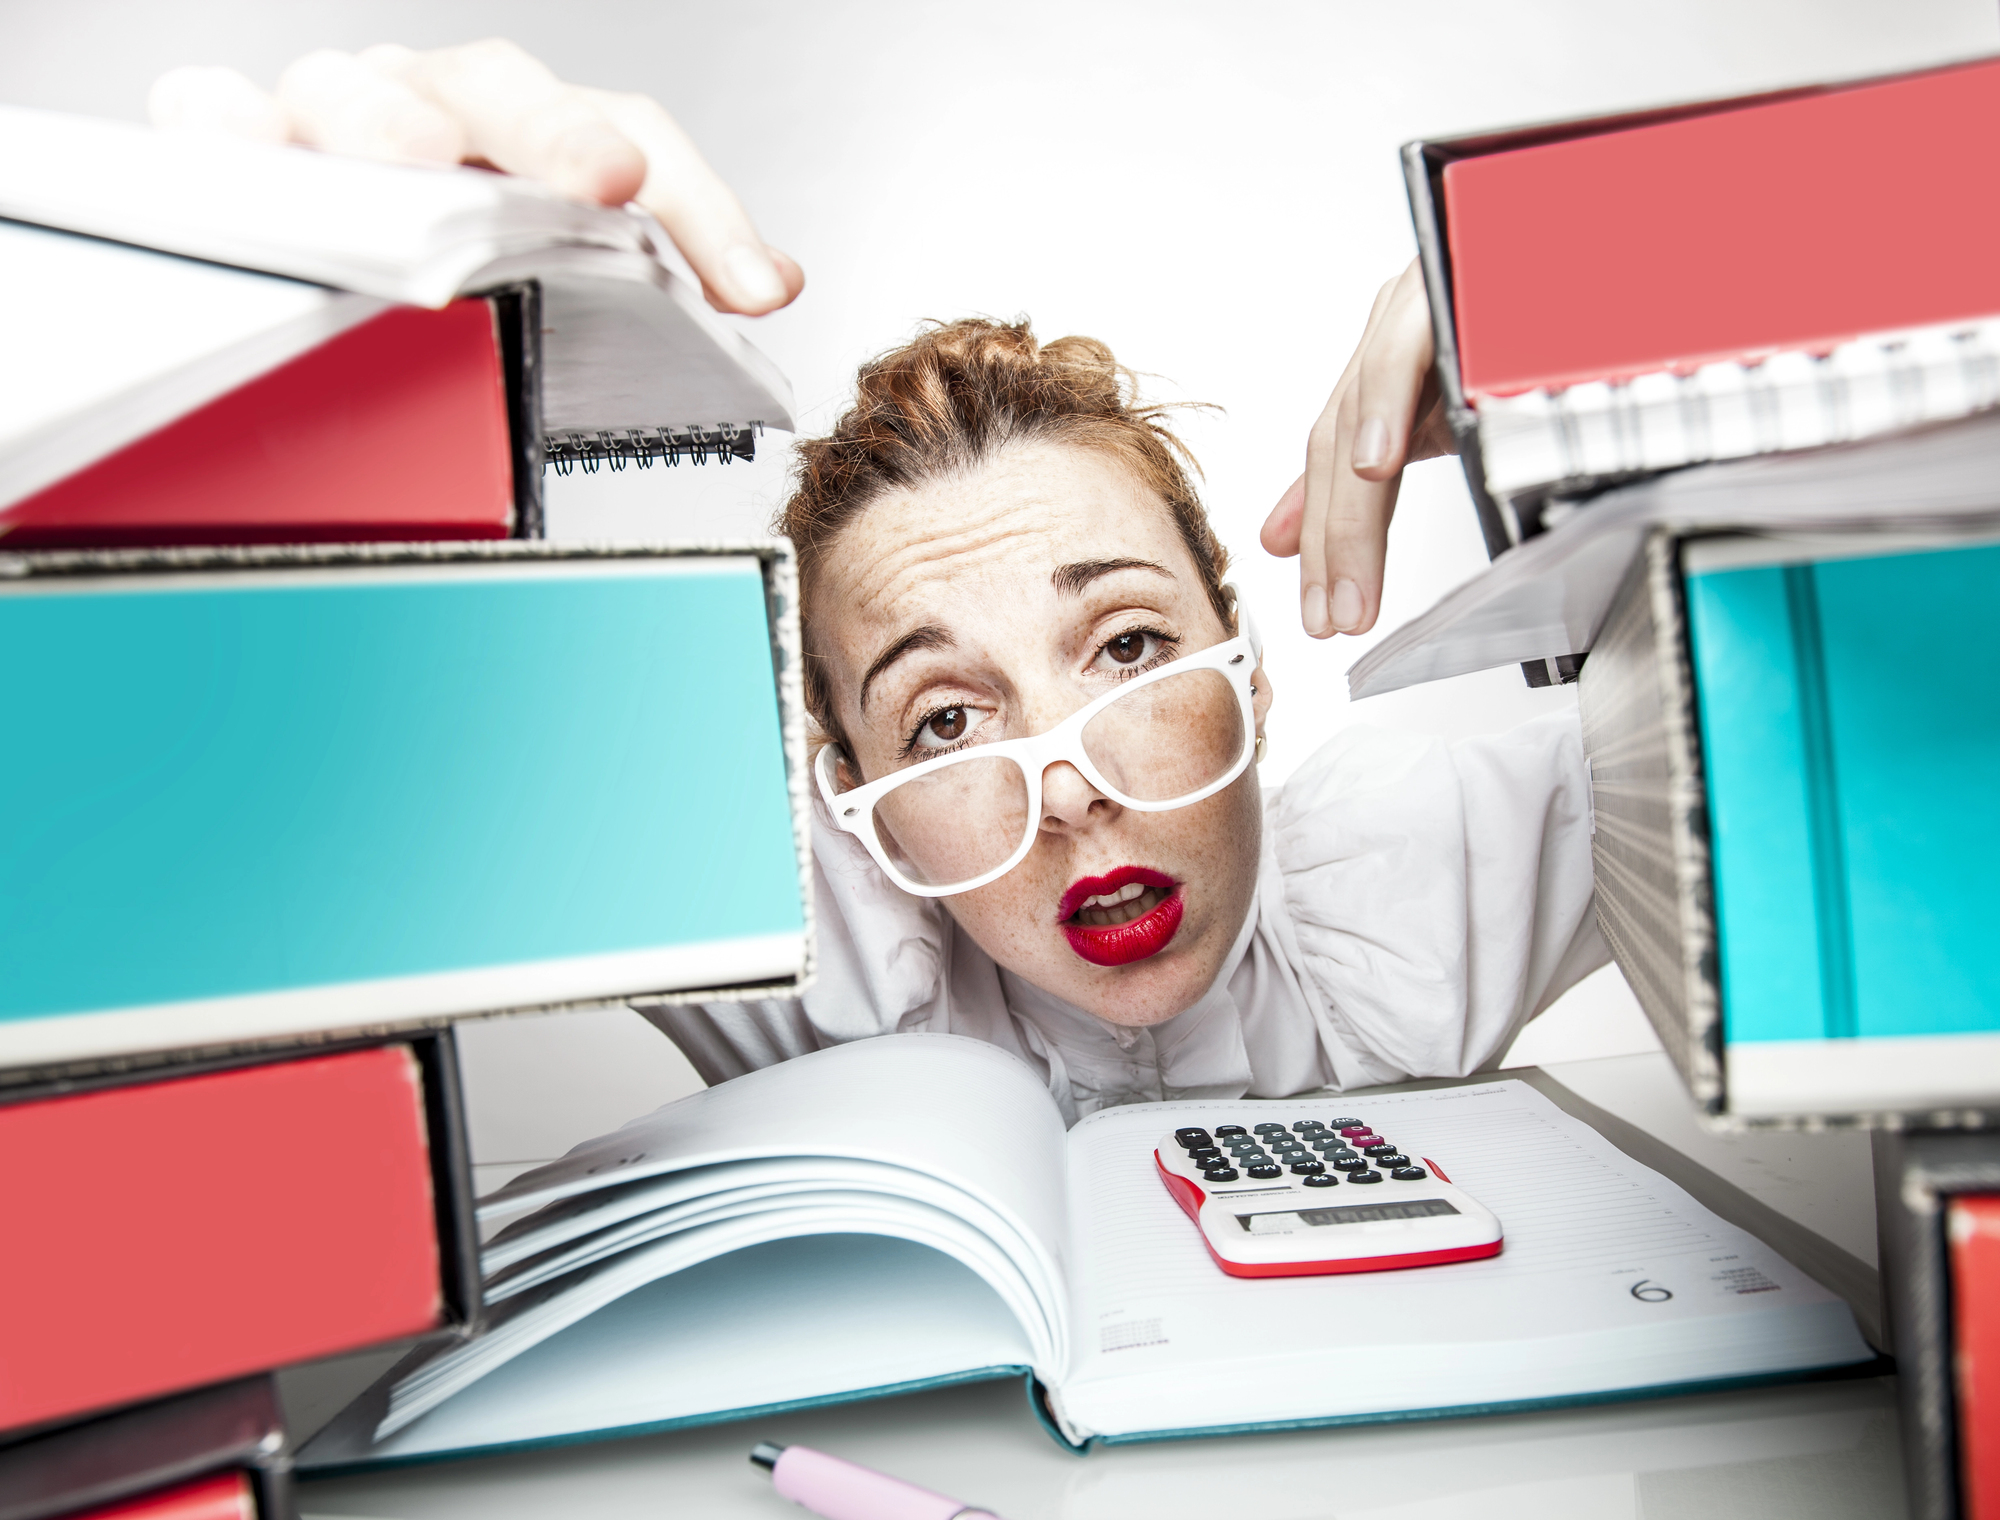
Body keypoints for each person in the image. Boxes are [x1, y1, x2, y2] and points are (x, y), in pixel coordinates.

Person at [155, 43, 1605, 1124]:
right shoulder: (822, 947)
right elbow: (329, 777)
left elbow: (1817, 697)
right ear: (855, 804)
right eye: (943, 723)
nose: (1070, 791)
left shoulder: (1433, 874)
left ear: (1248, 661)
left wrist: (1586, 293)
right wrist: (285, 341)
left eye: (1124, 647)